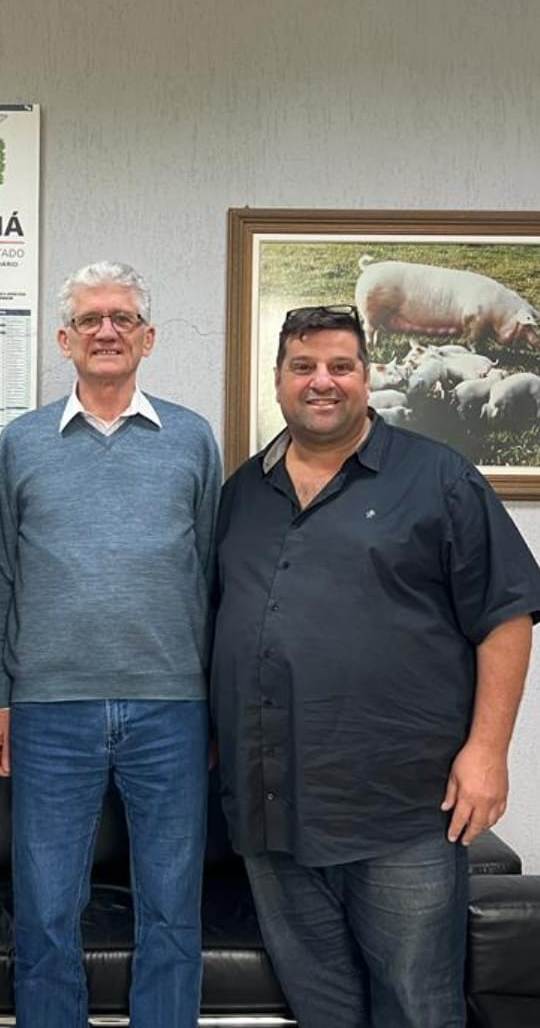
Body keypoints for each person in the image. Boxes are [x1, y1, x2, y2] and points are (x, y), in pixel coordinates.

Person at [210, 304, 540, 1028]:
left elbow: (507, 616)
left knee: (417, 1007)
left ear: (367, 375)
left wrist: (488, 753)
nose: (321, 381)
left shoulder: (438, 477)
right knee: (322, 1008)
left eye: (340, 366)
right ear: (278, 379)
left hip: (402, 809)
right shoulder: (243, 491)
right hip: (273, 807)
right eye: (303, 366)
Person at [0, 261, 221, 1028]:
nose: (106, 331)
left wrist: (215, 705)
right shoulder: (20, 443)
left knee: (172, 911)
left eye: (122, 318)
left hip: (172, 708)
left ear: (147, 338)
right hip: (48, 710)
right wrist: (3, 700)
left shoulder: (191, 438)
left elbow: (210, 574)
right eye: (89, 319)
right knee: (45, 912)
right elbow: (3, 577)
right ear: (64, 339)